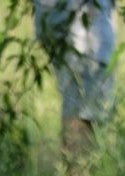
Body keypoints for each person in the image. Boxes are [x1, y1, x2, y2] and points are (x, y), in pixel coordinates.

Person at [32, 0, 116, 153]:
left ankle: (77, 171)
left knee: (81, 105)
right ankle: (76, 173)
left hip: (65, 20)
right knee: (81, 112)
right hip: (83, 29)